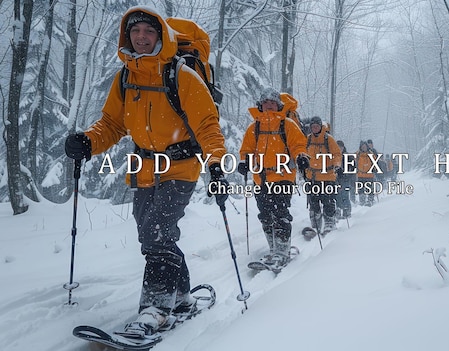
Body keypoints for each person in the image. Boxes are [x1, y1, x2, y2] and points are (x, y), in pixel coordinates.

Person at [63, 7, 228, 338]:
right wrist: (87, 142)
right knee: (152, 235)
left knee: (157, 230)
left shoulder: (182, 76)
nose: (141, 37)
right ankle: (180, 297)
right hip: (144, 168)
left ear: (160, 37)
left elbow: (207, 125)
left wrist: (216, 165)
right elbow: (112, 123)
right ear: (128, 36)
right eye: (135, 31)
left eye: (148, 32)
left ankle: (155, 308)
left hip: (180, 166)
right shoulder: (126, 76)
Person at [238, 88, 309, 267]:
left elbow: (298, 145)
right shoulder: (254, 127)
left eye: (272, 102)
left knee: (280, 213)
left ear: (278, 105)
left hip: (283, 176)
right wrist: (244, 161)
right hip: (260, 178)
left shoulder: (288, 124)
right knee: (265, 215)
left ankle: (282, 251)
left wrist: (301, 156)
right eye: (266, 102)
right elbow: (247, 149)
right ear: (260, 105)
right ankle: (273, 249)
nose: (269, 105)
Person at [304, 116, 342, 233]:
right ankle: (315, 221)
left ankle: (329, 222)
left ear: (321, 126)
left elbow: (336, 153)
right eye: (313, 126)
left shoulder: (328, 139)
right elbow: (302, 152)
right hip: (312, 177)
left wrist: (336, 164)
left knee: (328, 200)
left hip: (327, 176)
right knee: (313, 201)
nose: (315, 128)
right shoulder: (308, 139)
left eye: (317, 126)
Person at [335, 140, 355, 219]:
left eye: (341, 147)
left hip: (345, 179)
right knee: (337, 196)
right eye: (338, 147)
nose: (339, 148)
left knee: (345, 195)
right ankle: (338, 210)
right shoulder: (333, 156)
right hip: (336, 179)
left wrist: (349, 175)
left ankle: (346, 211)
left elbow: (353, 168)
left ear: (343, 147)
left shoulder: (348, 157)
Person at [356, 140, 375, 206]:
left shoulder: (371, 154)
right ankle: (362, 201)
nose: (364, 148)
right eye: (362, 147)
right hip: (360, 175)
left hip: (369, 175)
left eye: (365, 146)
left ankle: (370, 200)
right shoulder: (357, 154)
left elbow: (375, 163)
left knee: (369, 189)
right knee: (360, 190)